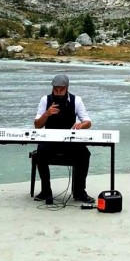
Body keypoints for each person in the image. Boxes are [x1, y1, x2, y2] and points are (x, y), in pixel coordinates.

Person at [33, 73, 93, 204]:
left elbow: (88, 122)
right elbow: (37, 125)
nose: (58, 93)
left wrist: (80, 125)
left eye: (61, 90)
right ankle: (45, 191)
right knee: (40, 152)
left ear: (67, 88)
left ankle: (79, 192)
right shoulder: (45, 100)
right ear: (52, 88)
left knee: (85, 154)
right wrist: (47, 114)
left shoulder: (76, 100)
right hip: (50, 140)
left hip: (70, 141)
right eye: (56, 90)